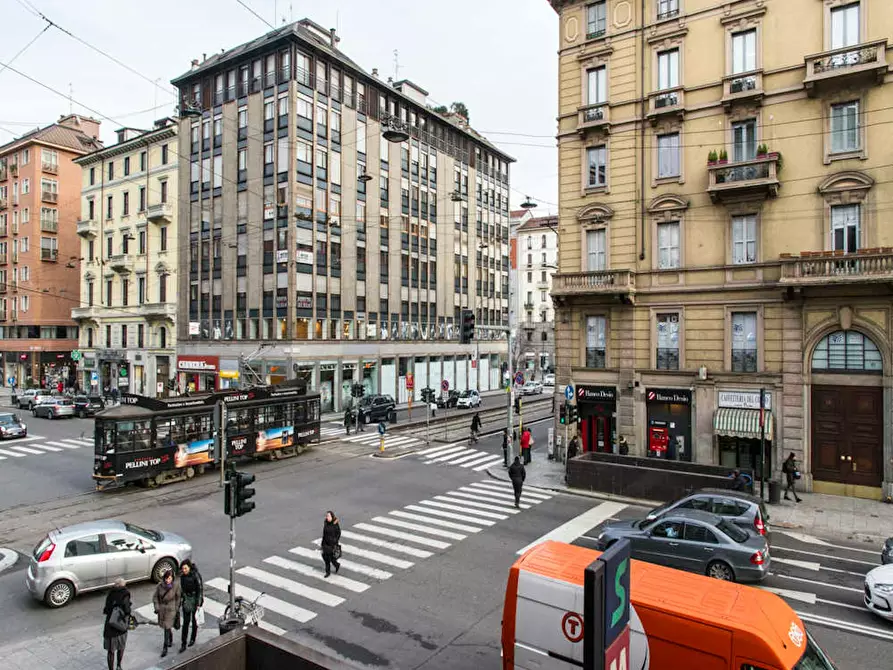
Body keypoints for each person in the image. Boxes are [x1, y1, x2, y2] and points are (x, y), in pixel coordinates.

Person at [103, 577, 131, 670]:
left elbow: (106, 610)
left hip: (110, 626)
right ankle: (119, 666)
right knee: (121, 647)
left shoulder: (110, 593)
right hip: (120, 626)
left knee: (111, 651)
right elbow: (127, 610)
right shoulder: (125, 594)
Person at [153, 569, 181, 657]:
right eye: (166, 578)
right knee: (167, 627)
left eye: (169, 578)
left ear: (172, 578)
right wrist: (157, 607)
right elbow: (155, 597)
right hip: (162, 610)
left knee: (166, 627)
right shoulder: (159, 586)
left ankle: (165, 647)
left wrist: (176, 608)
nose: (167, 580)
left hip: (171, 610)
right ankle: (170, 638)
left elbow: (178, 598)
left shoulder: (176, 586)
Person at [179, 560, 204, 652]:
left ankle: (193, 638)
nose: (184, 570)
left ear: (189, 567)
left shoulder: (196, 575)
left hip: (194, 600)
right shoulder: (182, 577)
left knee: (194, 621)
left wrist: (198, 603)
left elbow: (200, 589)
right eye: (183, 569)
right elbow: (182, 590)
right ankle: (183, 643)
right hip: (187, 599)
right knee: (185, 622)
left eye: (185, 568)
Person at [321, 510, 341, 577]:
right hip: (326, 543)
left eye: (328, 516)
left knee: (332, 558)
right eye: (326, 516)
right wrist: (322, 543)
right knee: (326, 558)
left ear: (332, 516)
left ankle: (336, 565)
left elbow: (338, 533)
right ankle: (328, 572)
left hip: (332, 544)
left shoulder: (335, 524)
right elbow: (324, 534)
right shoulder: (326, 523)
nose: (327, 517)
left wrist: (335, 541)